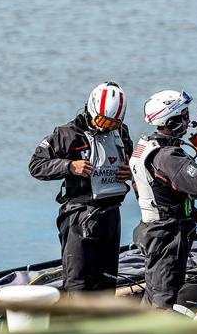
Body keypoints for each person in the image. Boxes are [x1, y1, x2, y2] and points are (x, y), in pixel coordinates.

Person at [29, 82, 133, 292]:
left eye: (112, 124)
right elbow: (36, 166)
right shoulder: (67, 134)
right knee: (78, 282)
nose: (105, 127)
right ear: (91, 109)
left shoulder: (120, 132)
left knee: (107, 281)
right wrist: (69, 166)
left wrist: (131, 172)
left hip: (111, 215)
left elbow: (133, 161)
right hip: (79, 216)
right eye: (102, 121)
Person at [129, 90, 197, 309]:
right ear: (172, 120)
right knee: (164, 296)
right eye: (184, 116)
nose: (188, 121)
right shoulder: (168, 156)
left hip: (151, 228)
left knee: (152, 293)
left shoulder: (145, 146)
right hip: (166, 235)